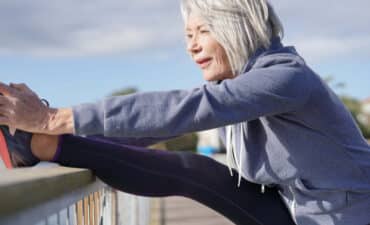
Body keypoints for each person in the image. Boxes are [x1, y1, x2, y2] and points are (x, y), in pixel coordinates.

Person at [0, 0, 370, 224]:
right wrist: (67, 135)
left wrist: (53, 119)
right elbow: (154, 128)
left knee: (199, 170)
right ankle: (43, 147)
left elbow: (186, 109)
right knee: (199, 171)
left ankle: (43, 144)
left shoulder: (285, 77)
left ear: (237, 27)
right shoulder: (243, 84)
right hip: (295, 213)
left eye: (202, 31)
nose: (192, 47)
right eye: (187, 35)